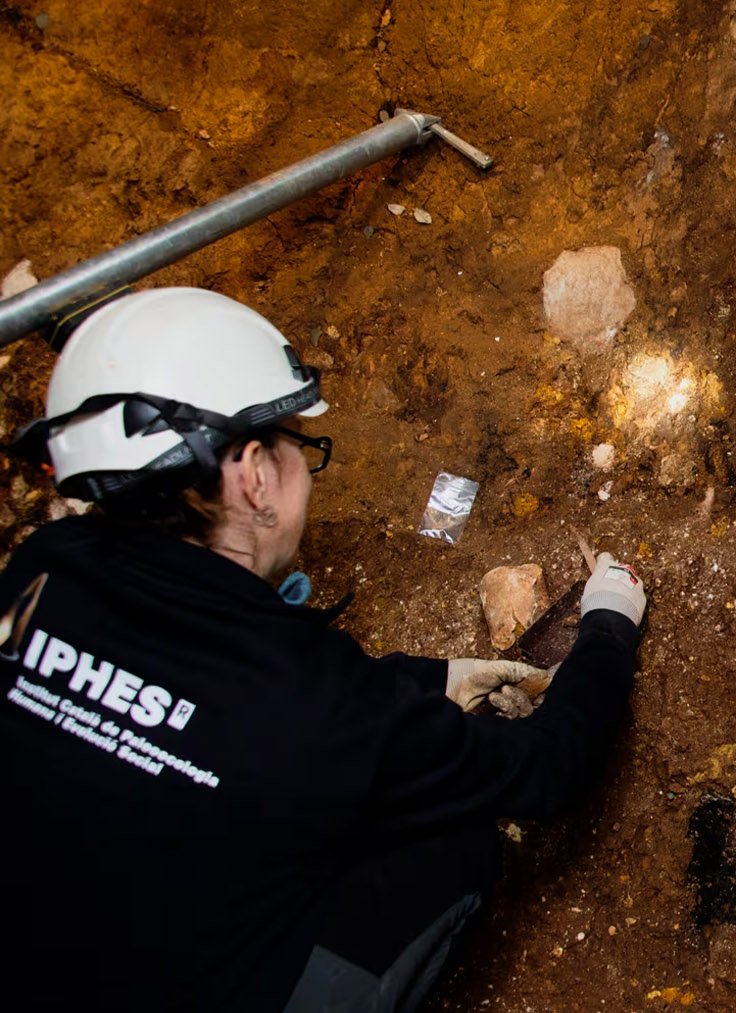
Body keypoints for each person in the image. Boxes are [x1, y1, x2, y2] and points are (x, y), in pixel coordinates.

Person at [0, 287, 648, 1012]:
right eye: (296, 445)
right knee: (456, 840)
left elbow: (213, 702)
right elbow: (547, 769)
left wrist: (431, 678)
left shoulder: (36, 575)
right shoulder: (309, 705)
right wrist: (609, 627)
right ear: (251, 475)